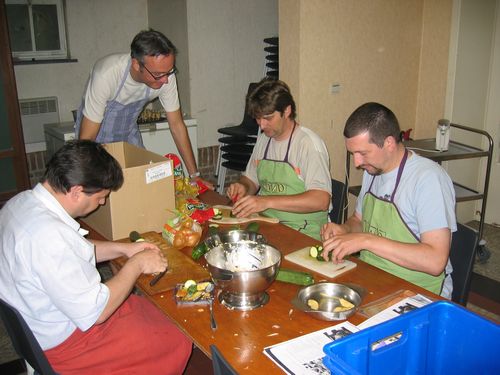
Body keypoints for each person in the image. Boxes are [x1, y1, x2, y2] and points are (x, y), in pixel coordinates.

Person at [0, 140, 192, 374]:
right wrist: (136, 263)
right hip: (69, 345)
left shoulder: (21, 203)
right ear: (77, 191)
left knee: (157, 311)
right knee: (178, 335)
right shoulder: (48, 237)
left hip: (44, 322)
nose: (102, 202)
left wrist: (123, 249)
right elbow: (98, 312)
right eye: (100, 197)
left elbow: (73, 250)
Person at [321, 102, 456, 297]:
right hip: (374, 278)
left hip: (418, 293)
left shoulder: (428, 179)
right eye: (353, 154)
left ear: (389, 143)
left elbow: (435, 261)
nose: (357, 163)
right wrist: (345, 230)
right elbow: (359, 221)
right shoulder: (373, 170)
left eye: (363, 153)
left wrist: (366, 240)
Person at [75, 28, 212, 188]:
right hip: (96, 138)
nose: (166, 81)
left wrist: (194, 176)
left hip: (129, 133)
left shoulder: (165, 75)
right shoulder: (107, 74)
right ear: (135, 64)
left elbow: (177, 125)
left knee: (144, 183)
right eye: (158, 75)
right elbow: (86, 140)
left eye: (169, 72)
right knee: (103, 186)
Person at [227, 78, 332, 240]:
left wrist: (266, 201)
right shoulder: (264, 139)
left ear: (287, 111)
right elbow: (251, 180)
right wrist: (243, 187)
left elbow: (321, 200)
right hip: (267, 226)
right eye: (257, 118)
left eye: (268, 118)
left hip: (304, 234)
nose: (261, 125)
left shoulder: (308, 144)